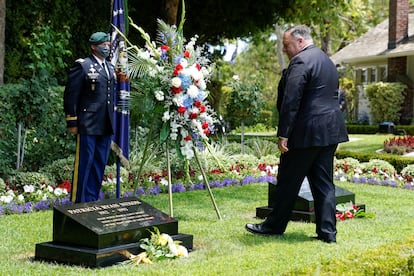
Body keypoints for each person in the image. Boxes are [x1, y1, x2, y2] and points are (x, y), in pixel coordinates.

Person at [245, 25, 349, 243]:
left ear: (300, 41)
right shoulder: (326, 61)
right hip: (330, 131)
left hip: (306, 131)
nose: (284, 49)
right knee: (324, 184)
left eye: (286, 45)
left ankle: (273, 226)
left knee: (287, 181)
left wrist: (283, 134)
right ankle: (328, 233)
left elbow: (291, 100)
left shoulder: (301, 61)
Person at [64, 32, 117, 203]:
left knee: (99, 163)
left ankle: (92, 199)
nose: (107, 47)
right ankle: (78, 201)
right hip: (87, 123)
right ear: (94, 46)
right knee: (84, 164)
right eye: (103, 44)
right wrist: (72, 120)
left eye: (108, 44)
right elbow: (71, 95)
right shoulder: (83, 66)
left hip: (105, 123)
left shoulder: (110, 67)